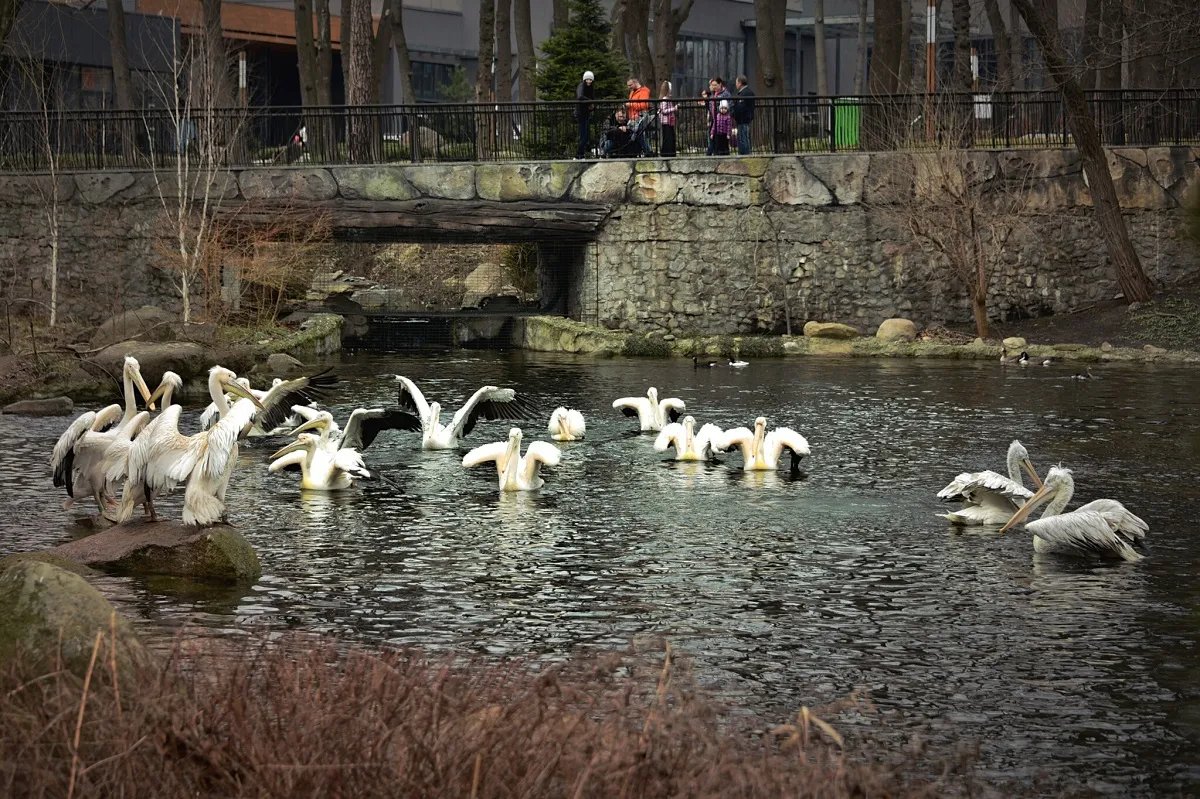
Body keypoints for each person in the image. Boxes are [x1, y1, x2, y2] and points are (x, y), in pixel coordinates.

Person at [731, 75, 755, 155]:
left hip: (743, 118)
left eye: (737, 82)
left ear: (740, 83)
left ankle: (745, 154)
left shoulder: (746, 93)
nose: (736, 84)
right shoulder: (744, 92)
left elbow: (741, 107)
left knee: (743, 138)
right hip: (742, 118)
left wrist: (734, 112)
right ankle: (743, 153)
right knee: (742, 137)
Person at [574, 70, 595, 159]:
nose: (589, 81)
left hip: (586, 113)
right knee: (584, 135)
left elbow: (592, 98)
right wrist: (590, 102)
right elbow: (579, 97)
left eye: (590, 80)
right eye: (587, 79)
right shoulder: (581, 86)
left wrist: (592, 106)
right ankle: (579, 154)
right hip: (581, 113)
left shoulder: (590, 88)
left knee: (586, 135)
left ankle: (581, 154)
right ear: (584, 80)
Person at [658, 80, 676, 157]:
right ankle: (667, 153)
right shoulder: (665, 99)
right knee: (668, 138)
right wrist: (674, 109)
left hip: (669, 121)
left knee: (670, 137)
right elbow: (664, 110)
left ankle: (669, 152)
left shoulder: (667, 98)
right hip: (666, 121)